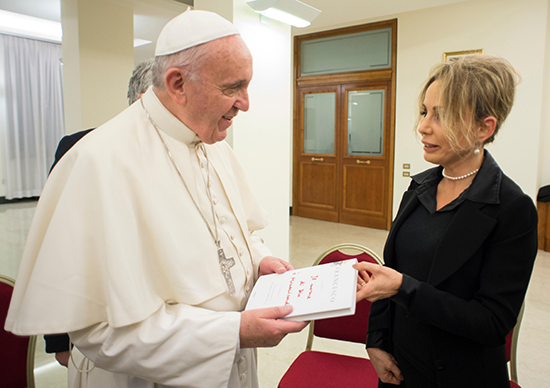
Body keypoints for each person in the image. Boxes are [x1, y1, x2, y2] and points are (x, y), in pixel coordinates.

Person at [5, 9, 307, 388]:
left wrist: (259, 259)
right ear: (178, 83)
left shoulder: (216, 146)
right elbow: (99, 331)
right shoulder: (98, 161)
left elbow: (233, 233)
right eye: (232, 87)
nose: (245, 103)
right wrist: (233, 332)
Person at [355, 55, 537, 387]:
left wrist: (403, 288)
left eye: (442, 116)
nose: (424, 126)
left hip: (460, 374)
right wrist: (377, 341)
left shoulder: (512, 208)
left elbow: (492, 322)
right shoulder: (420, 187)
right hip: (400, 368)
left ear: (485, 127)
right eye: (425, 111)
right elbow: (391, 268)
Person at [43, 57, 156, 368]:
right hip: (98, 331)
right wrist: (58, 339)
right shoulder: (80, 150)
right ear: (145, 100)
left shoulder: (182, 155)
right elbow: (56, 248)